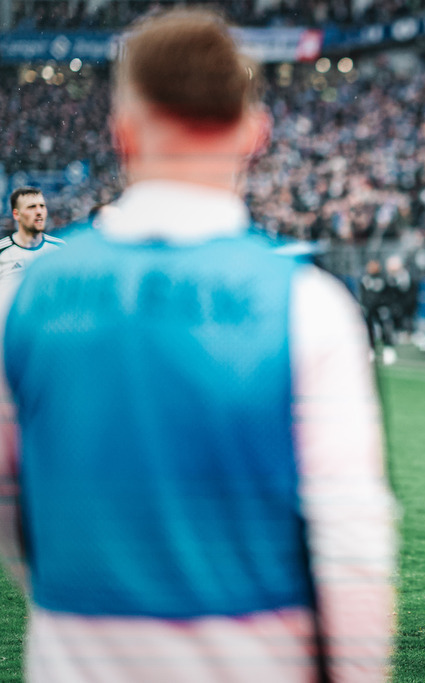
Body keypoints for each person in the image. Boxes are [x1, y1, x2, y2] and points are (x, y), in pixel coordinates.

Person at [0, 9, 394, 682]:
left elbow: (15, 503)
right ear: (254, 132)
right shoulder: (309, 305)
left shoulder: (31, 295)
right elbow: (350, 543)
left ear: (122, 132)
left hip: (75, 653)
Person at [1, 187, 64, 287]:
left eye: (42, 206)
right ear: (16, 214)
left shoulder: (60, 248)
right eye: (32, 207)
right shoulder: (2, 251)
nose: (39, 212)